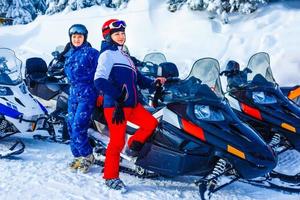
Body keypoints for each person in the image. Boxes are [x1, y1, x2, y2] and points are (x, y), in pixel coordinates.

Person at [94, 19, 166, 191]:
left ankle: (131, 148)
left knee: (151, 123)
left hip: (132, 105)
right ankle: (110, 177)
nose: (121, 36)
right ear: (108, 36)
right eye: (117, 33)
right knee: (116, 141)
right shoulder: (107, 55)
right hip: (116, 107)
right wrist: (118, 95)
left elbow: (139, 79)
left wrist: (154, 83)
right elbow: (99, 81)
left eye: (122, 33)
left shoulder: (125, 56)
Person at [64, 24, 99, 173]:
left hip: (87, 93)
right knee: (70, 125)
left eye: (80, 37)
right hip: (73, 94)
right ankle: (78, 156)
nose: (77, 39)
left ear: (85, 38)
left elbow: (101, 72)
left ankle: (88, 156)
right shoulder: (69, 54)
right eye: (74, 37)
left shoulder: (92, 53)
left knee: (79, 126)